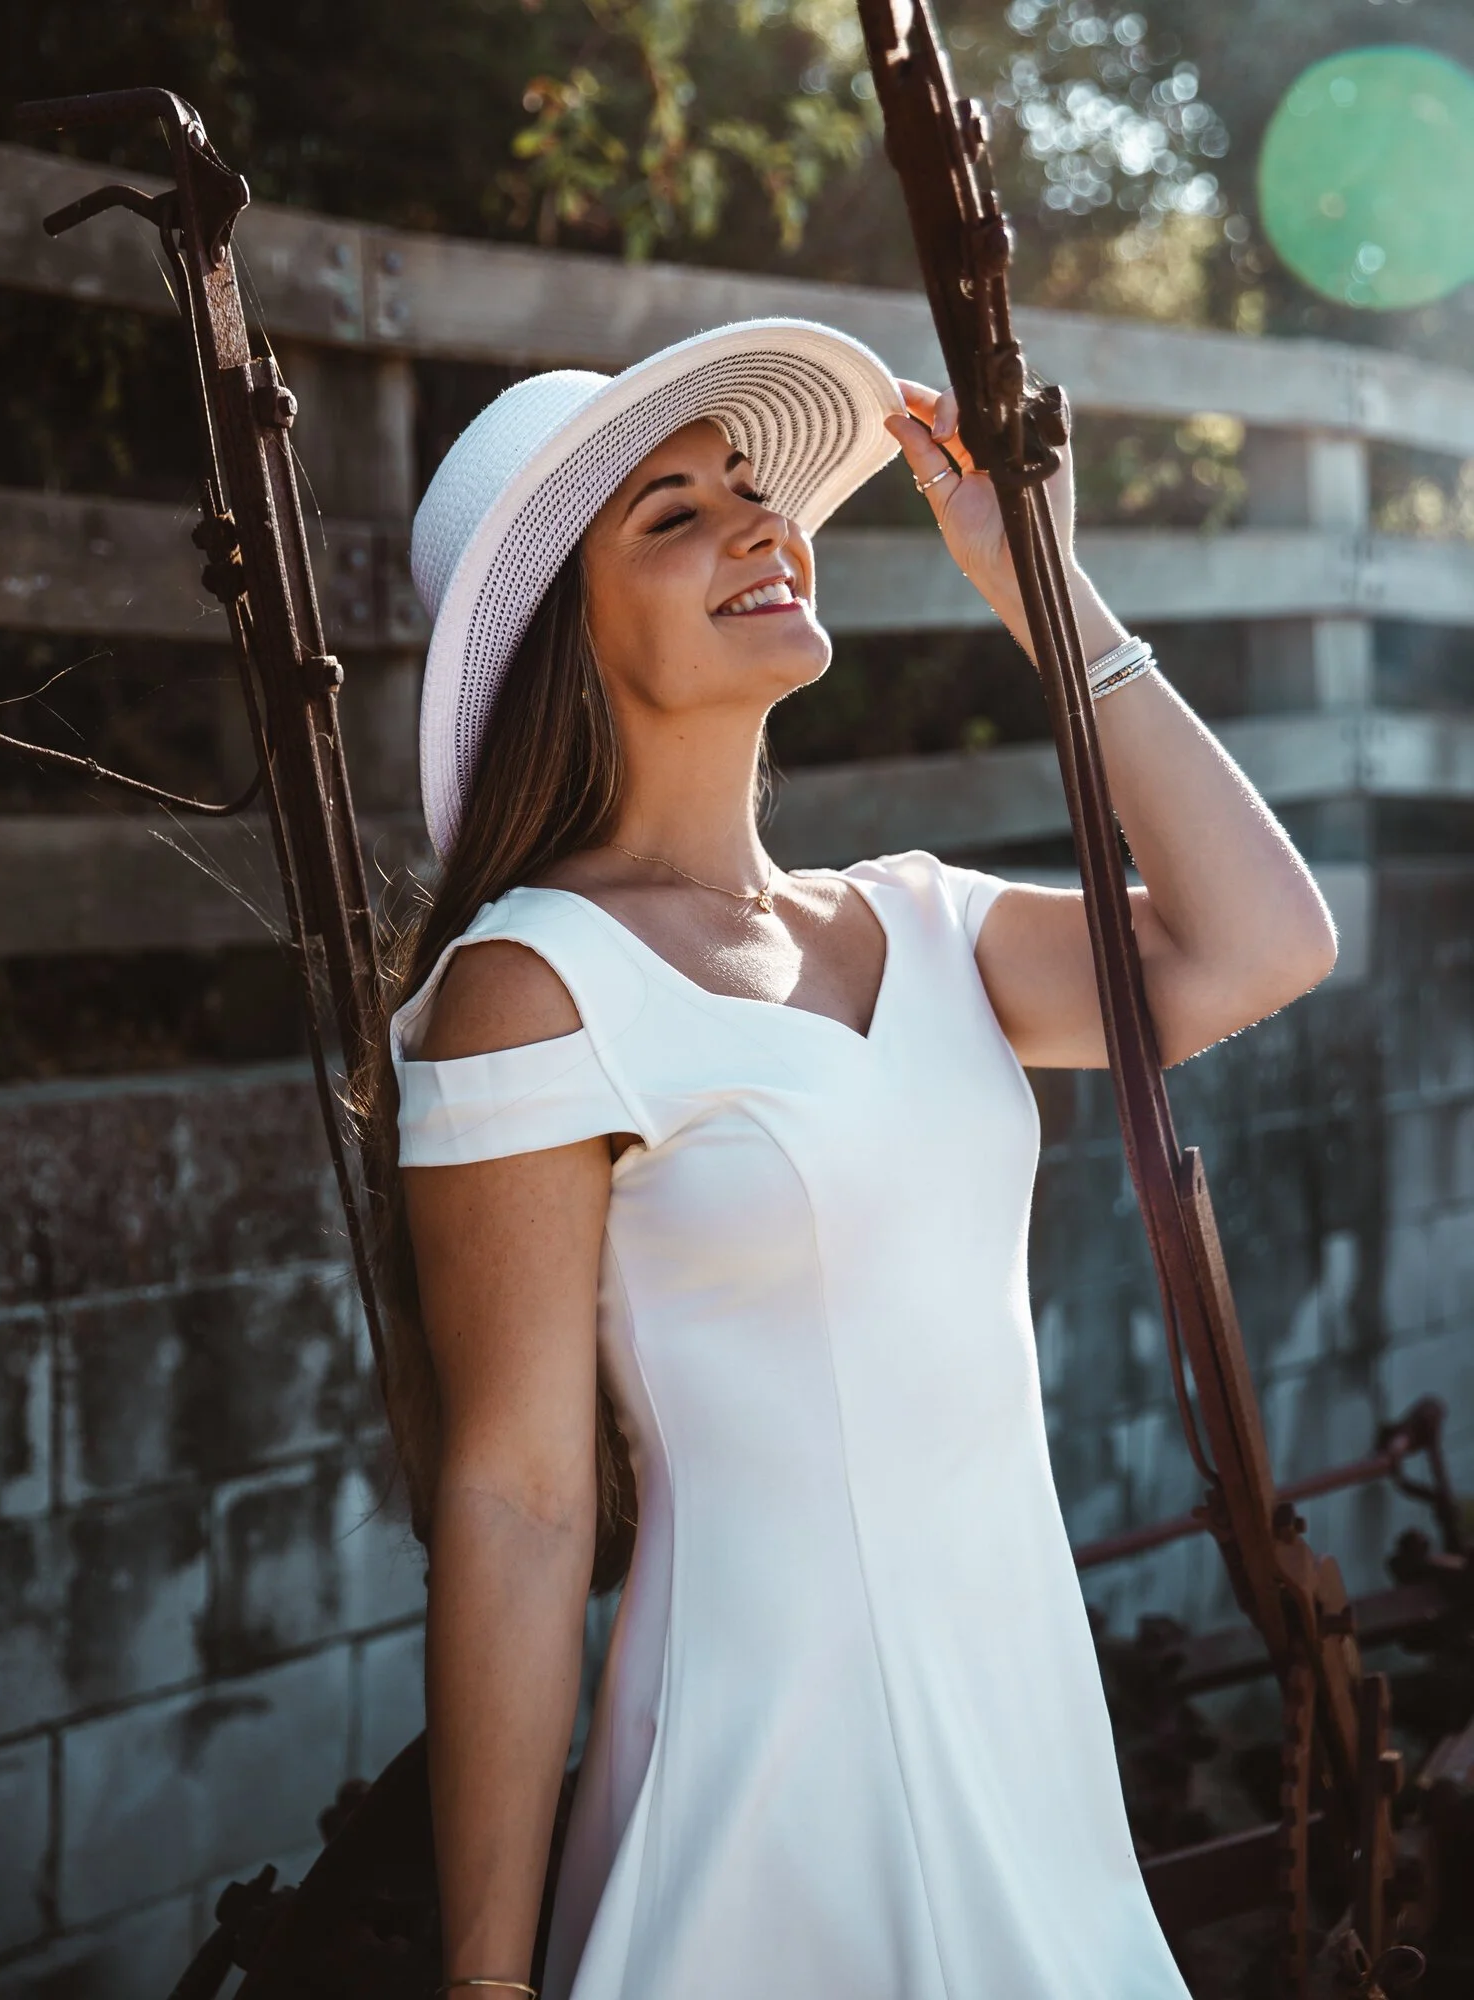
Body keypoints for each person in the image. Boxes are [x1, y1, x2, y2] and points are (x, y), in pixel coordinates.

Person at [369, 319, 1336, 2000]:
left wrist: (1046, 592)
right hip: (764, 1794)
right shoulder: (532, 985)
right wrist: (485, 1978)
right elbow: (516, 1499)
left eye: (753, 489)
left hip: (1025, 1740)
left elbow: (1262, 943)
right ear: (562, 643)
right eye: (670, 518)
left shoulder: (922, 920)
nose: (760, 523)